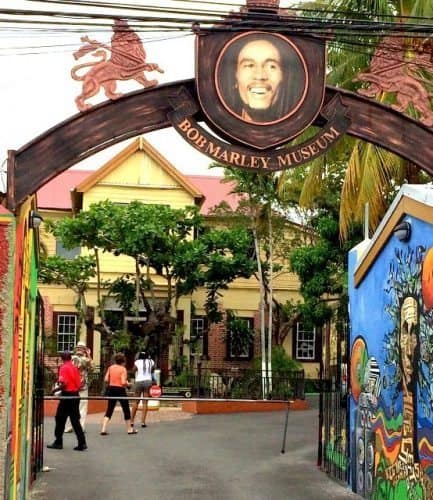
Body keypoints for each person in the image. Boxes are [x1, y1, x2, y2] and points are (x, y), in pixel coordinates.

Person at [217, 33, 305, 123]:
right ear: (235, 78)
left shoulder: (304, 130)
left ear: (283, 77)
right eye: (249, 65)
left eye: (271, 66)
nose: (260, 76)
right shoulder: (213, 127)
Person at [47, 351, 87, 451]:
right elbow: (79, 383)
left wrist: (54, 390)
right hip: (75, 395)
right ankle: (82, 442)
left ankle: (58, 441)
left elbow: (63, 383)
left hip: (67, 395)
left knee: (60, 418)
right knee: (75, 420)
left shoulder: (63, 368)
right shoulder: (74, 367)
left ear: (62, 358)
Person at [100, 353, 136, 435]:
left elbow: (106, 379)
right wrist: (128, 384)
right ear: (123, 361)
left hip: (111, 388)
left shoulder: (110, 368)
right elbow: (123, 382)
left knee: (110, 409)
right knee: (125, 409)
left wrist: (112, 381)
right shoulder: (123, 369)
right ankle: (129, 429)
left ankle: (103, 429)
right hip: (120, 390)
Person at [65, 340, 93, 433]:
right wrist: (89, 354)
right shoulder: (84, 359)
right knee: (82, 406)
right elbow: (92, 367)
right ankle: (80, 426)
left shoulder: (72, 359)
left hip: (72, 385)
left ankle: (69, 426)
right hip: (82, 385)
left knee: (70, 406)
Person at [130, 351, 155, 430]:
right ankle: (143, 422)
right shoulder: (151, 361)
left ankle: (131, 421)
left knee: (136, 401)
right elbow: (152, 370)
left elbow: (133, 370)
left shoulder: (137, 362)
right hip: (148, 381)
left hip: (139, 381)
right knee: (145, 402)